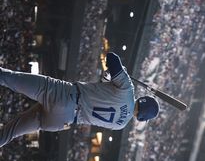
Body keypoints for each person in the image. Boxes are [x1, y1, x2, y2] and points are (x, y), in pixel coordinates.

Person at [0, 52, 160, 147]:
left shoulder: (128, 90)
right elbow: (102, 93)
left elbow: (111, 58)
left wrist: (122, 71)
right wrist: (110, 77)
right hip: (63, 121)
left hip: (65, 95)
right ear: (141, 117)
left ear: (143, 99)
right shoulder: (120, 125)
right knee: (10, 132)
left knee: (9, 78)